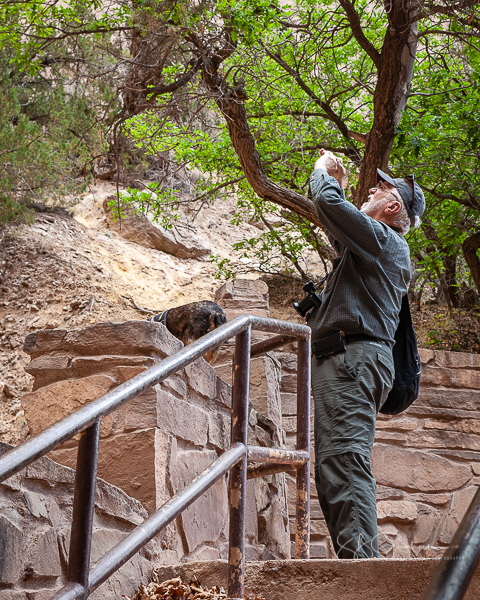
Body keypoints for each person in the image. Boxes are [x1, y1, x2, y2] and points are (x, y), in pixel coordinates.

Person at [307, 149, 425, 558]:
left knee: (343, 459)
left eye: (380, 186)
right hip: (347, 360)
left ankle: (364, 570)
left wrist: (323, 172)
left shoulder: (385, 242)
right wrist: (336, 187)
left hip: (352, 361)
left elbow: (326, 203)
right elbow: (334, 216)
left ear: (393, 206)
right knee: (334, 464)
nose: (371, 187)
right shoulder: (368, 247)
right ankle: (357, 561)